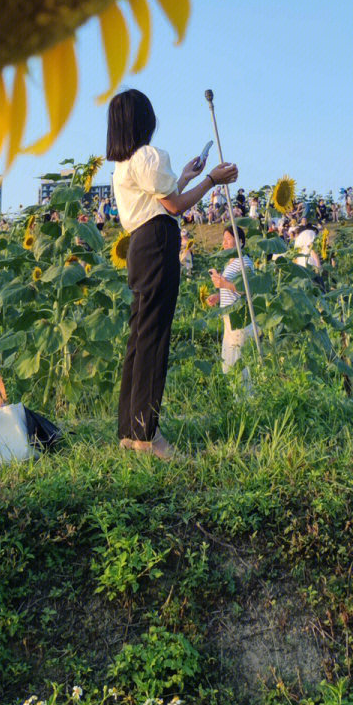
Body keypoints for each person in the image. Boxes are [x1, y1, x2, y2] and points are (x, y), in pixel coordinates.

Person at [107, 89, 237, 459]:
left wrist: (183, 175)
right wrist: (211, 180)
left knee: (140, 336)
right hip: (158, 242)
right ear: (144, 120)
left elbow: (163, 197)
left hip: (139, 245)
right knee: (154, 337)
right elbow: (175, 206)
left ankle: (131, 432)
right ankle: (149, 436)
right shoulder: (148, 155)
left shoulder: (124, 164)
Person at [207, 225, 258, 377]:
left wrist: (224, 284)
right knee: (229, 359)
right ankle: (237, 397)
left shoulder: (244, 262)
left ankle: (245, 398)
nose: (225, 243)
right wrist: (219, 295)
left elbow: (248, 289)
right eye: (224, 240)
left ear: (241, 242)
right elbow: (233, 289)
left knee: (239, 360)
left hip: (239, 316)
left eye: (229, 239)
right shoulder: (230, 263)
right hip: (229, 317)